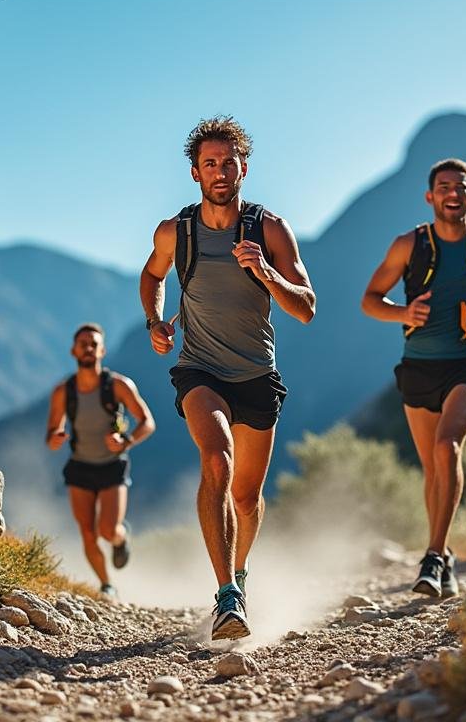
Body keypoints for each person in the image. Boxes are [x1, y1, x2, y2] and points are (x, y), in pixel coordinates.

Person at [139, 116, 316, 639]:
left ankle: (239, 574)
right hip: (200, 369)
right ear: (195, 173)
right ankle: (226, 597)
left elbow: (305, 308)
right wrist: (154, 319)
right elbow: (152, 274)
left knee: (246, 497)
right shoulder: (177, 231)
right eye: (209, 163)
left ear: (244, 166)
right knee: (216, 459)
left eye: (228, 161)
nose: (220, 171)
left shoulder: (269, 229)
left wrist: (266, 272)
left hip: (258, 375)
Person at [360, 158, 466, 597]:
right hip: (418, 367)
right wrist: (402, 312)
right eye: (444, 186)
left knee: (446, 445)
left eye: (461, 186)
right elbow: (370, 301)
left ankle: (433, 555)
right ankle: (447, 556)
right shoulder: (408, 246)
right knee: (434, 471)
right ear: (431, 197)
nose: (453, 192)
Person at [45, 323, 155, 598]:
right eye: (83, 343)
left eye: (94, 344)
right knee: (87, 532)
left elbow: (147, 422)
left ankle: (120, 537)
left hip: (112, 467)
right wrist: (55, 438)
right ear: (73, 350)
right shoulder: (63, 391)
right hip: (80, 467)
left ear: (102, 350)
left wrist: (126, 441)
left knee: (107, 530)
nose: (88, 348)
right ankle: (107, 584)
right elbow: (51, 432)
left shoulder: (118, 385)